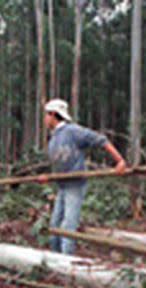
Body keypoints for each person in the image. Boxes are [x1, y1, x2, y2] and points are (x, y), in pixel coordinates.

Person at [42, 99, 127, 254]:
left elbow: (100, 140)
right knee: (54, 227)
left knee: (68, 227)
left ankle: (67, 265)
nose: (45, 119)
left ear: (53, 114)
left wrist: (120, 160)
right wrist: (49, 177)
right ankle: (55, 261)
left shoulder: (73, 131)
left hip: (75, 186)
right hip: (62, 187)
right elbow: (59, 163)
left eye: (46, 115)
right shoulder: (53, 138)